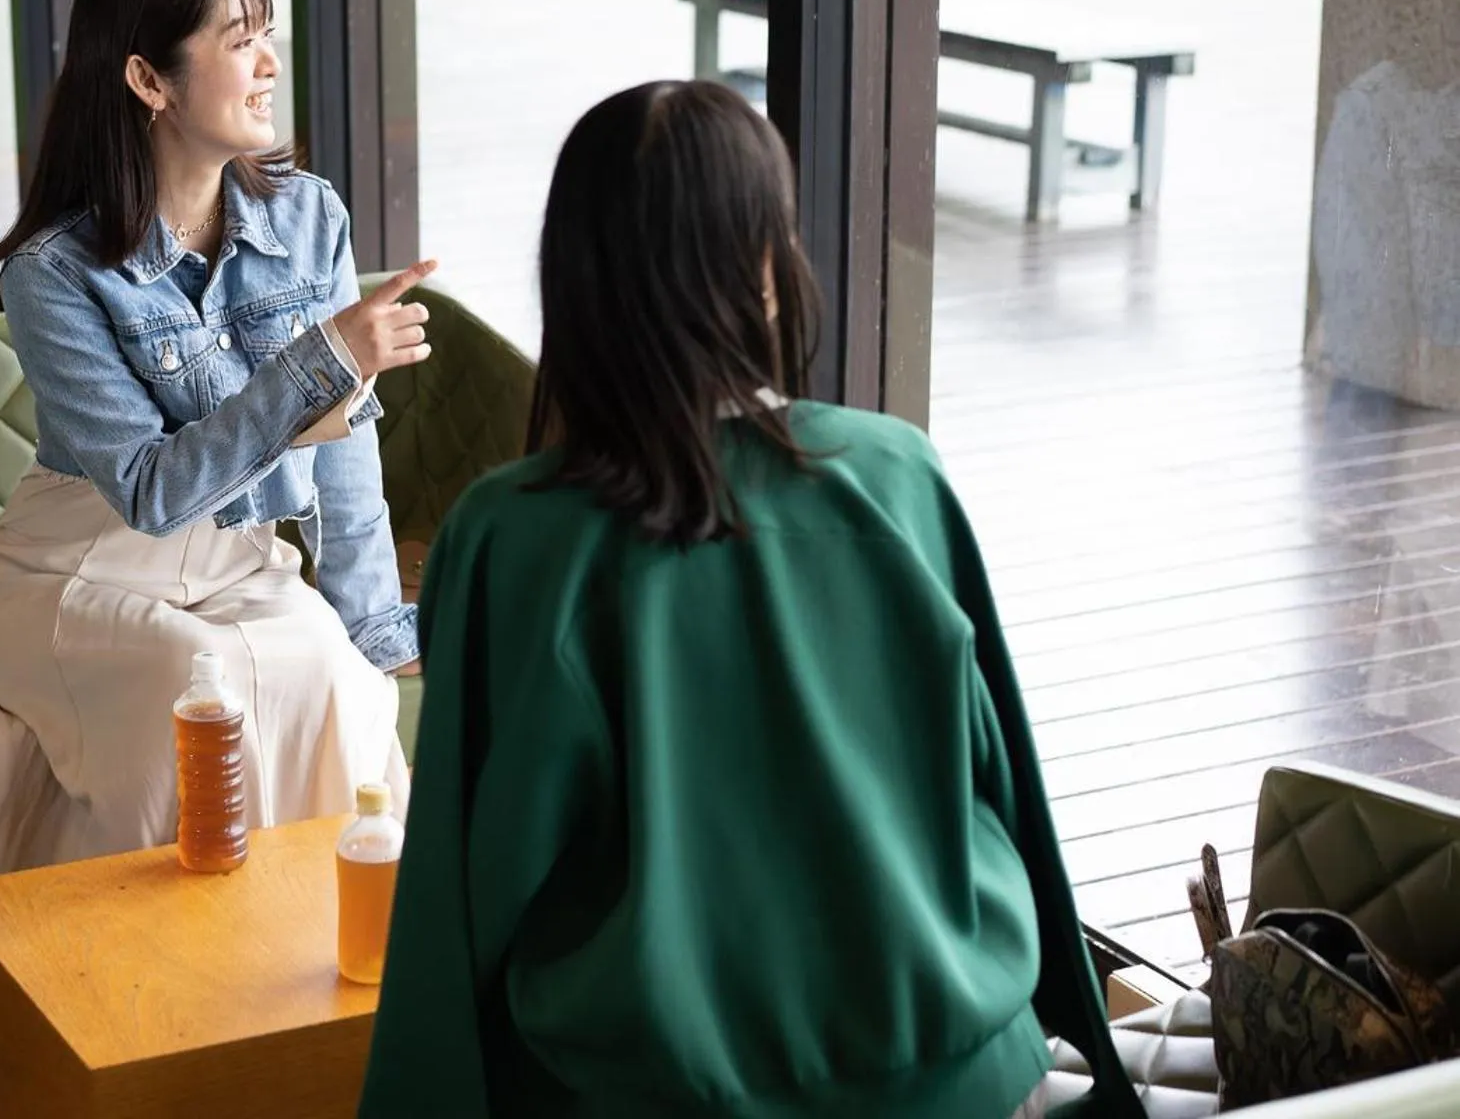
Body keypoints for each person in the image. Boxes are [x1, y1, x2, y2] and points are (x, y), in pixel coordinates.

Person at [359, 81, 1142, 1118]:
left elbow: (464, 891)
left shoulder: (514, 537)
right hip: (960, 1076)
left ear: (575, 279)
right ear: (769, 272)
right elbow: (997, 787)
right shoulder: (898, 476)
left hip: (657, 1091)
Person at [0, 0, 426, 875]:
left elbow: (343, 456)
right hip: (76, 572)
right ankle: (130, 951)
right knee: (199, 689)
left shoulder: (309, 217)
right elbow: (151, 492)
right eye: (241, 41)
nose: (270, 65)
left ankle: (320, 941)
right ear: (147, 80)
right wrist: (323, 363)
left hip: (236, 563)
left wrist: (372, 624)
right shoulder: (52, 273)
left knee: (325, 668)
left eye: (268, 36)